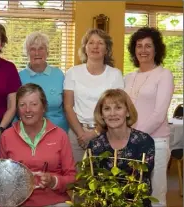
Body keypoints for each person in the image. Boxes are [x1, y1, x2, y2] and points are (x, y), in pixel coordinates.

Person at [0, 83, 76, 207]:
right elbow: (2, 179)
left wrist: (53, 181)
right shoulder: (6, 136)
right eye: (22, 105)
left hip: (55, 201)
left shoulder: (60, 135)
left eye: (34, 104)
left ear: (44, 107)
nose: (28, 109)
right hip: (19, 203)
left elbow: (72, 178)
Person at [124, 27, 174, 207]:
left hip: (156, 142)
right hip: (129, 143)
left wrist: (133, 137)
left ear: (156, 49)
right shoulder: (128, 77)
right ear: (133, 49)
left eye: (148, 46)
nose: (143, 50)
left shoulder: (164, 75)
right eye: (139, 46)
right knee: (132, 192)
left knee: (155, 195)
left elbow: (159, 114)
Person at [63, 28, 124, 163]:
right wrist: (81, 134)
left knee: (103, 178)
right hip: (76, 133)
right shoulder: (73, 72)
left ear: (106, 49)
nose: (95, 46)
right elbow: (68, 106)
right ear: (85, 47)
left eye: (100, 43)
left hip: (107, 132)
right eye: (91, 42)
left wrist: (95, 132)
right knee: (76, 179)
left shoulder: (115, 74)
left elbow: (118, 108)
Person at [88, 89, 155, 207]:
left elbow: (142, 182)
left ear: (128, 112)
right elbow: (94, 183)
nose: (112, 113)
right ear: (102, 115)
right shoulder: (94, 145)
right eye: (107, 109)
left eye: (118, 108)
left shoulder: (144, 141)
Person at [18, 31, 68, 132]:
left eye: (41, 48)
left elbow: (67, 106)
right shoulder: (19, 77)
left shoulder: (59, 74)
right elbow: (16, 111)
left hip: (59, 131)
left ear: (47, 52)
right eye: (32, 49)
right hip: (29, 132)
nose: (37, 53)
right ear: (27, 53)